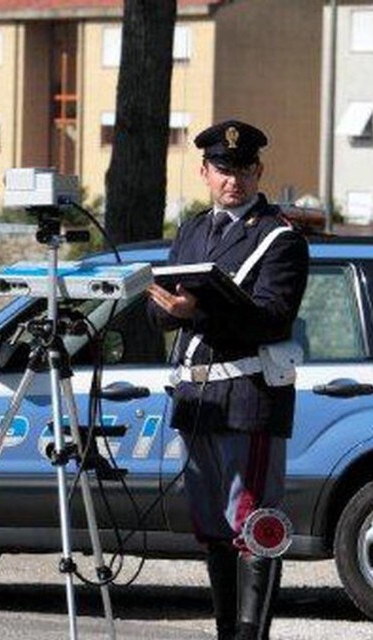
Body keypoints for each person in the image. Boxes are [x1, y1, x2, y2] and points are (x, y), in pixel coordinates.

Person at [147, 120, 309, 640]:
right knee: (212, 525)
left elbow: (271, 317)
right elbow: (160, 313)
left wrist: (196, 312)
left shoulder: (278, 238)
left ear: (258, 171)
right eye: (222, 169)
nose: (232, 180)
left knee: (252, 522)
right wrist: (172, 312)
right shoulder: (193, 231)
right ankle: (225, 631)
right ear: (204, 172)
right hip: (197, 397)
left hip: (247, 394)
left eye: (242, 169)